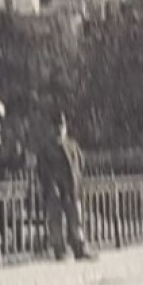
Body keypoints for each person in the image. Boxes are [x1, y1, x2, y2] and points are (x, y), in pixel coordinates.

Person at [38, 112, 94, 261]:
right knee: (56, 219)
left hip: (72, 187)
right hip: (55, 188)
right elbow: (43, 169)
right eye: (56, 126)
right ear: (51, 128)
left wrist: (77, 181)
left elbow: (80, 163)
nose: (59, 129)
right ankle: (59, 249)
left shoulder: (72, 145)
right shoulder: (46, 148)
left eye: (62, 126)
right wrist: (50, 186)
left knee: (76, 217)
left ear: (65, 127)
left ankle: (80, 248)